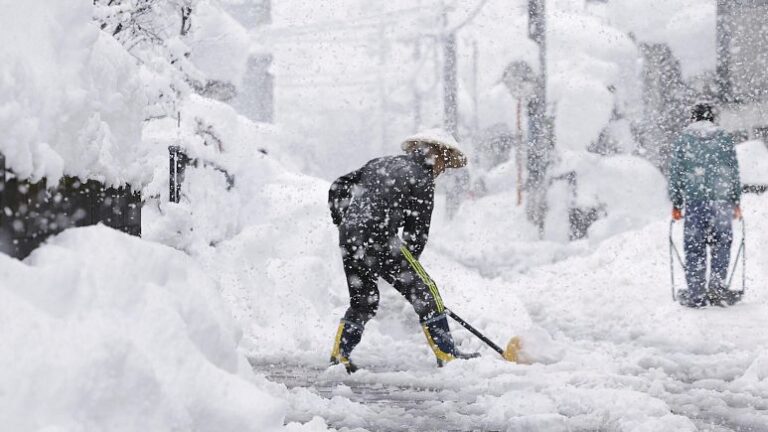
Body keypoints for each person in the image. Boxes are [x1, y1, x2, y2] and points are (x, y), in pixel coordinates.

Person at [327, 130, 479, 373]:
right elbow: (417, 232)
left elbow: (339, 186)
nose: (442, 170)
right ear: (437, 154)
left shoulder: (379, 163)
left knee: (363, 301)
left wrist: (343, 221)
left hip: (350, 238)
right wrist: (408, 272)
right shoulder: (422, 178)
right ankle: (447, 355)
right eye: (445, 163)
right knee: (427, 292)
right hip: (381, 239)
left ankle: (339, 354)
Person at [668, 102, 743, 308]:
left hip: (695, 202)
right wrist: (735, 200)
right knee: (721, 246)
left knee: (694, 248)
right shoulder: (724, 138)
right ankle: (717, 290)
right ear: (712, 117)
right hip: (721, 202)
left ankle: (696, 294)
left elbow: (676, 173)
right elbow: (733, 171)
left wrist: (677, 202)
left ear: (693, 117)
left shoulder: (683, 139)